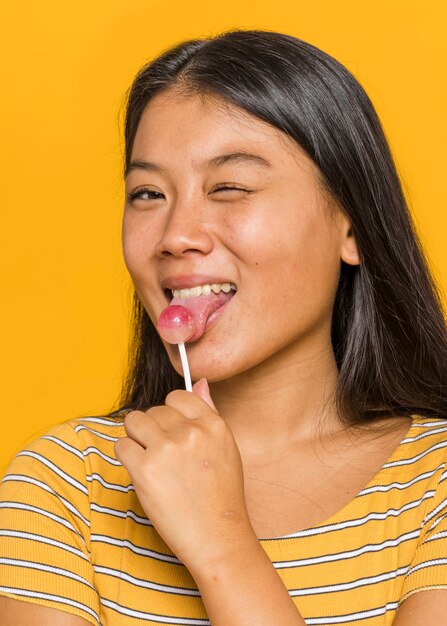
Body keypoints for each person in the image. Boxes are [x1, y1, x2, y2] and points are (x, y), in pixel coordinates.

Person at [1, 29, 446, 626]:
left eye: (229, 188)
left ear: (353, 226)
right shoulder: (65, 486)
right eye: (148, 193)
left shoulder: (435, 488)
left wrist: (222, 547)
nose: (176, 234)